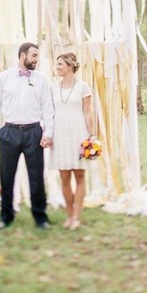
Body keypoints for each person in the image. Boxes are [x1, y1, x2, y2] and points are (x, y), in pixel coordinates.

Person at [0, 42, 54, 230]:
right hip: (9, 132)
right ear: (23, 55)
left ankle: (40, 217)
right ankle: (6, 216)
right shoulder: (4, 77)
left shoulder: (41, 79)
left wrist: (48, 133)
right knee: (6, 176)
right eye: (34, 56)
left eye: (37, 56)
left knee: (36, 177)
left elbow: (47, 108)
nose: (37, 60)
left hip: (34, 132)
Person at [48, 52, 94, 230]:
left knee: (80, 176)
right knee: (64, 177)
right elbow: (49, 113)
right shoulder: (53, 88)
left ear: (70, 66)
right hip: (59, 133)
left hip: (78, 133)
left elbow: (87, 113)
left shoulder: (83, 87)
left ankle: (76, 216)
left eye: (60, 64)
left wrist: (91, 135)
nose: (57, 67)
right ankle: (69, 214)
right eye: (57, 64)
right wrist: (48, 134)